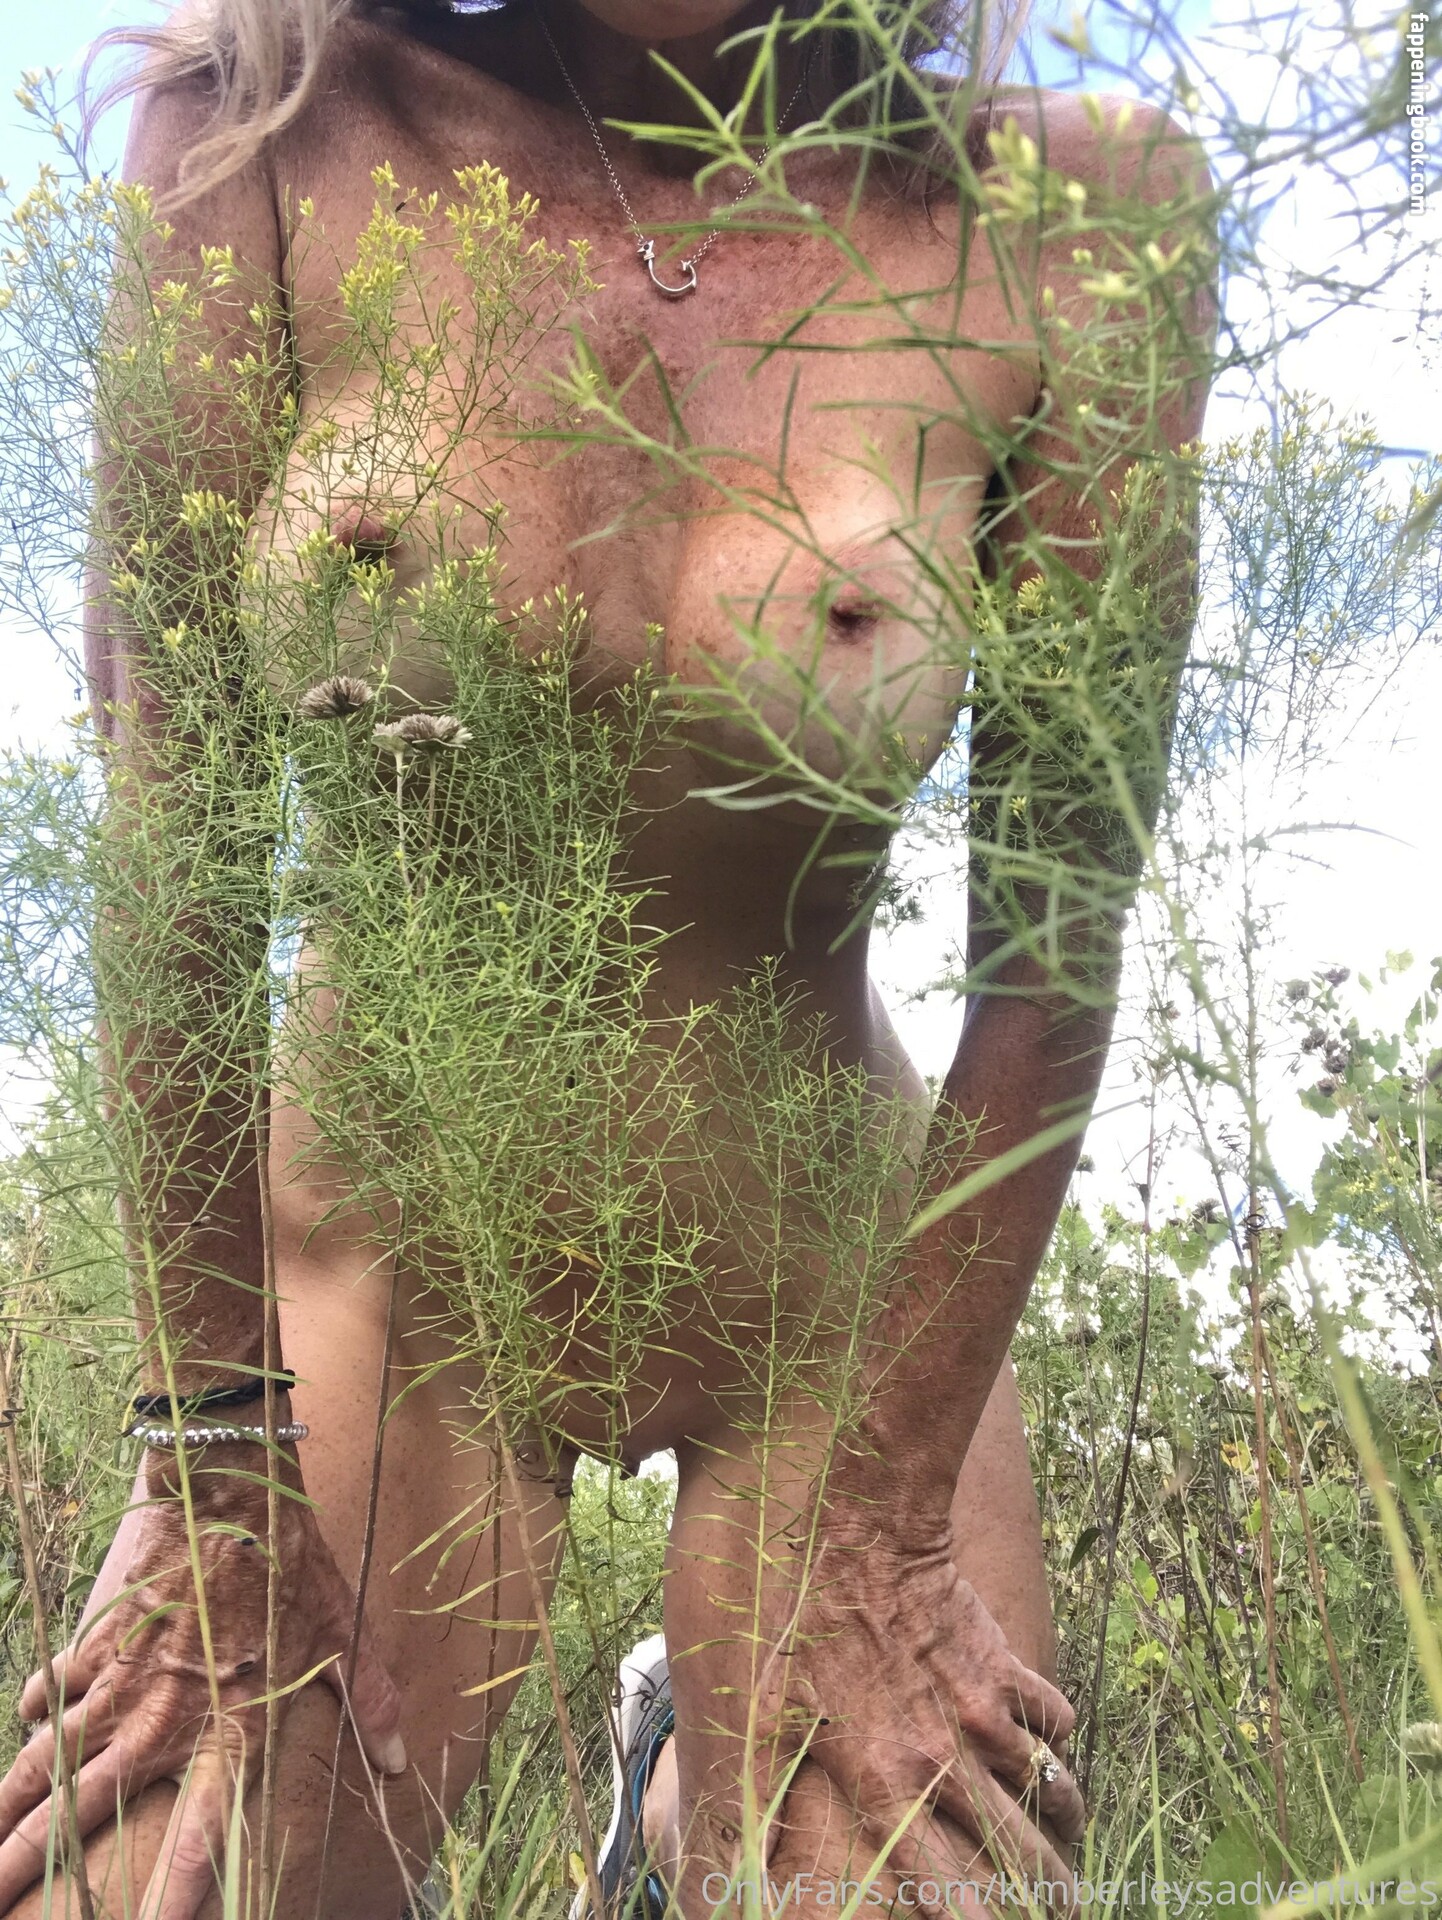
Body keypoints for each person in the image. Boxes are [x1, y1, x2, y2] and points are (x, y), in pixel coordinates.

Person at [0, 0, 1216, 1913]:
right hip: (377, 1264)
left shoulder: (1069, 209)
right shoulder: (267, 135)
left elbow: (1059, 927)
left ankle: (668, 1809)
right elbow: (174, 847)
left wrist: (893, 1520)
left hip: (829, 1299)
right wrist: (211, 1472)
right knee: (170, 1878)